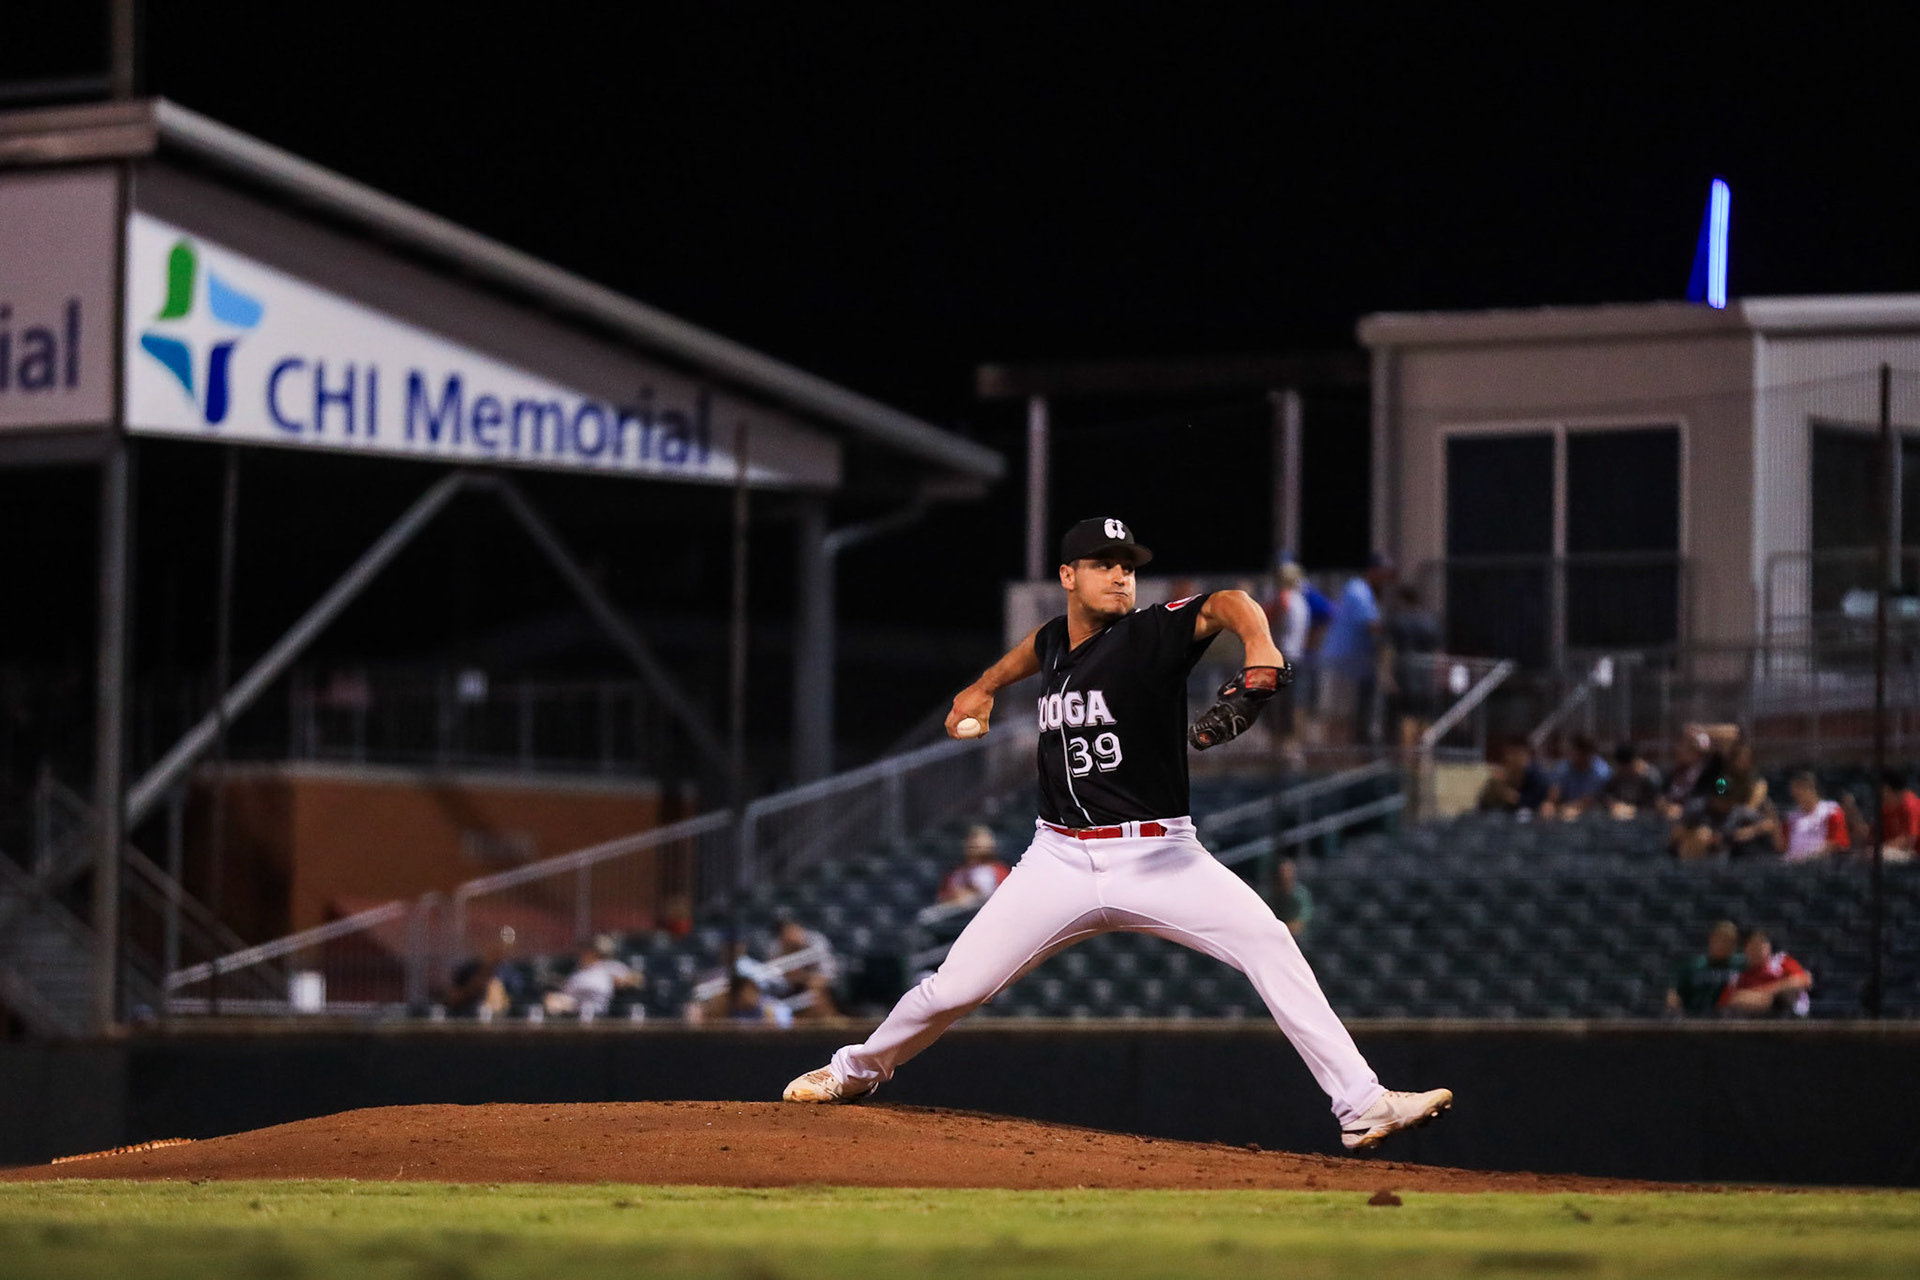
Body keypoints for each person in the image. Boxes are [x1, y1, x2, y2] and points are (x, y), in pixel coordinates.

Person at [781, 517, 1451, 1151]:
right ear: (1068, 575)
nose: (1121, 576)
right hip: (1058, 858)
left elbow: (1228, 602)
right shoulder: (1054, 642)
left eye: (1128, 566)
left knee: (1270, 942)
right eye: (1104, 565)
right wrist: (982, 687)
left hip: (1161, 855)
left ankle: (1362, 1105)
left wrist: (1262, 647)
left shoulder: (1150, 635)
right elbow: (1037, 646)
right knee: (954, 988)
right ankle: (853, 1071)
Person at [1319, 553, 1396, 746]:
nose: (1386, 580)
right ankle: (1333, 755)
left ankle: (1341, 753)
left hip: (1353, 666)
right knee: (1338, 713)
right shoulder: (1358, 590)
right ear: (1372, 571)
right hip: (1342, 662)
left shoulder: (1369, 593)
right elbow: (1373, 625)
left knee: (1349, 714)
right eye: (1383, 573)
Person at [1382, 585, 1441, 747]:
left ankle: (1408, 754)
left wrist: (1387, 675)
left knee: (1407, 715)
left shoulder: (1398, 620)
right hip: (1426, 673)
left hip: (1405, 672)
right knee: (1425, 716)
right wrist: (1437, 675)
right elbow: (1437, 651)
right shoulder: (1430, 621)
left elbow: (1389, 649)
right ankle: (1425, 755)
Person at [1718, 929, 1813, 1018]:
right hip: (1753, 1015)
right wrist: (1757, 998)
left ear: (1768, 947)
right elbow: (1727, 1000)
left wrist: (1766, 992)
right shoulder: (1740, 974)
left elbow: (1803, 980)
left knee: (1789, 992)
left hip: (1786, 1011)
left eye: (1761, 945)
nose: (1757, 950)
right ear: (1745, 950)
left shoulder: (1781, 961)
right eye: (1753, 946)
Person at [548, 934, 643, 1019]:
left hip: (599, 1012)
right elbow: (566, 996)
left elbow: (637, 980)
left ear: (595, 952)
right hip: (575, 1009)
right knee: (551, 1001)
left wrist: (619, 981)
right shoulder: (577, 974)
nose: (583, 954)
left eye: (588, 950)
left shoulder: (610, 966)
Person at [444, 926, 527, 1018]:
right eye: (492, 944)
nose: (494, 949)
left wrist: (501, 997)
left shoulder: (511, 974)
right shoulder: (468, 969)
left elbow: (518, 1003)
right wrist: (473, 988)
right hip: (468, 1021)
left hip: (501, 1023)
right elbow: (451, 1000)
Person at [1665, 920, 1742, 1015]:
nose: (1723, 944)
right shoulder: (1695, 966)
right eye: (1719, 939)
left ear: (1734, 945)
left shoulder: (1741, 965)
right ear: (1712, 939)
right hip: (1698, 1021)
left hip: (1731, 1023)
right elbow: (1676, 993)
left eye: (1728, 941)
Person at [772, 914, 842, 1018]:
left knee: (816, 991)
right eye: (786, 931)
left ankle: (830, 1021)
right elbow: (775, 978)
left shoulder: (817, 942)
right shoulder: (776, 948)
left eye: (793, 929)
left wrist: (803, 977)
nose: (791, 934)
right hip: (789, 988)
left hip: (816, 984)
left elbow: (827, 973)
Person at [1780, 771, 1850, 861]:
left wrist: (1804, 857)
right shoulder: (1791, 816)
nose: (1794, 795)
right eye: (1793, 791)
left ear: (1810, 788)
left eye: (1798, 790)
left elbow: (1837, 843)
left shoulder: (1831, 810)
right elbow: (1783, 846)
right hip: (1792, 867)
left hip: (1821, 865)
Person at [937, 825, 1012, 906]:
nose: (975, 845)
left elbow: (1007, 896)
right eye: (972, 841)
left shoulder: (998, 871)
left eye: (979, 843)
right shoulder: (955, 873)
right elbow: (941, 897)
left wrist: (973, 894)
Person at [1476, 740, 1552, 816]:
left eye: (1517, 756)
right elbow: (1483, 803)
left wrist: (1516, 799)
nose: (1512, 760)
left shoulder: (1536, 776)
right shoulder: (1503, 776)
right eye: (1509, 756)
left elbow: (1537, 801)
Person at [1545, 733, 1611, 817]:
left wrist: (1569, 809)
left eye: (1582, 754)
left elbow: (1588, 801)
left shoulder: (1601, 772)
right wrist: (1550, 804)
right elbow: (1554, 792)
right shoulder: (1563, 767)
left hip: (1592, 812)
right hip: (1565, 809)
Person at [1597, 742, 1663, 817]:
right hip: (1619, 818)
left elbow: (1657, 803)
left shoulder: (1650, 776)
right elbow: (1605, 796)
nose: (1625, 772)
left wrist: (1633, 810)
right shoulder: (1617, 776)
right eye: (1622, 768)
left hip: (1643, 818)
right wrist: (1613, 804)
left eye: (1627, 768)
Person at [1879, 772, 1920, 862]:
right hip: (1900, 856)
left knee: (1879, 855)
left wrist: (1884, 847)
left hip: (1916, 859)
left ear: (1887, 789)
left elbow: (1910, 840)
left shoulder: (1911, 805)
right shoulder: (1886, 808)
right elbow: (1872, 836)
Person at [1270, 857, 1313, 938]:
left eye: (1287, 873)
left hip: (1298, 939)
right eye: (1281, 874)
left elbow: (1300, 923)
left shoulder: (1301, 894)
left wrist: (1279, 930)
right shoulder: (1268, 894)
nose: (1284, 877)